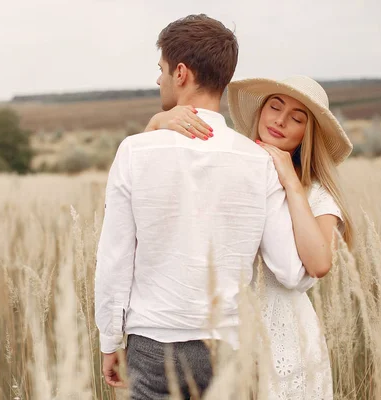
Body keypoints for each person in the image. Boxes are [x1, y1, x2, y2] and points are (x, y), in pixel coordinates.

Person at [94, 14, 316, 400]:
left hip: (154, 341)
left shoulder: (135, 151)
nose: (159, 80)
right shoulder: (258, 160)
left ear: (181, 73)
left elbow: (115, 257)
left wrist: (110, 339)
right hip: (226, 344)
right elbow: (290, 271)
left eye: (161, 70)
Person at [145, 75, 354, 399]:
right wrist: (158, 123)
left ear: (306, 134)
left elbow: (319, 263)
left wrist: (290, 183)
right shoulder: (231, 165)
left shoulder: (317, 195)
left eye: (297, 118)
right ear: (261, 111)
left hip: (287, 339)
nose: (281, 121)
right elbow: (155, 196)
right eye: (275, 107)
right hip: (221, 333)